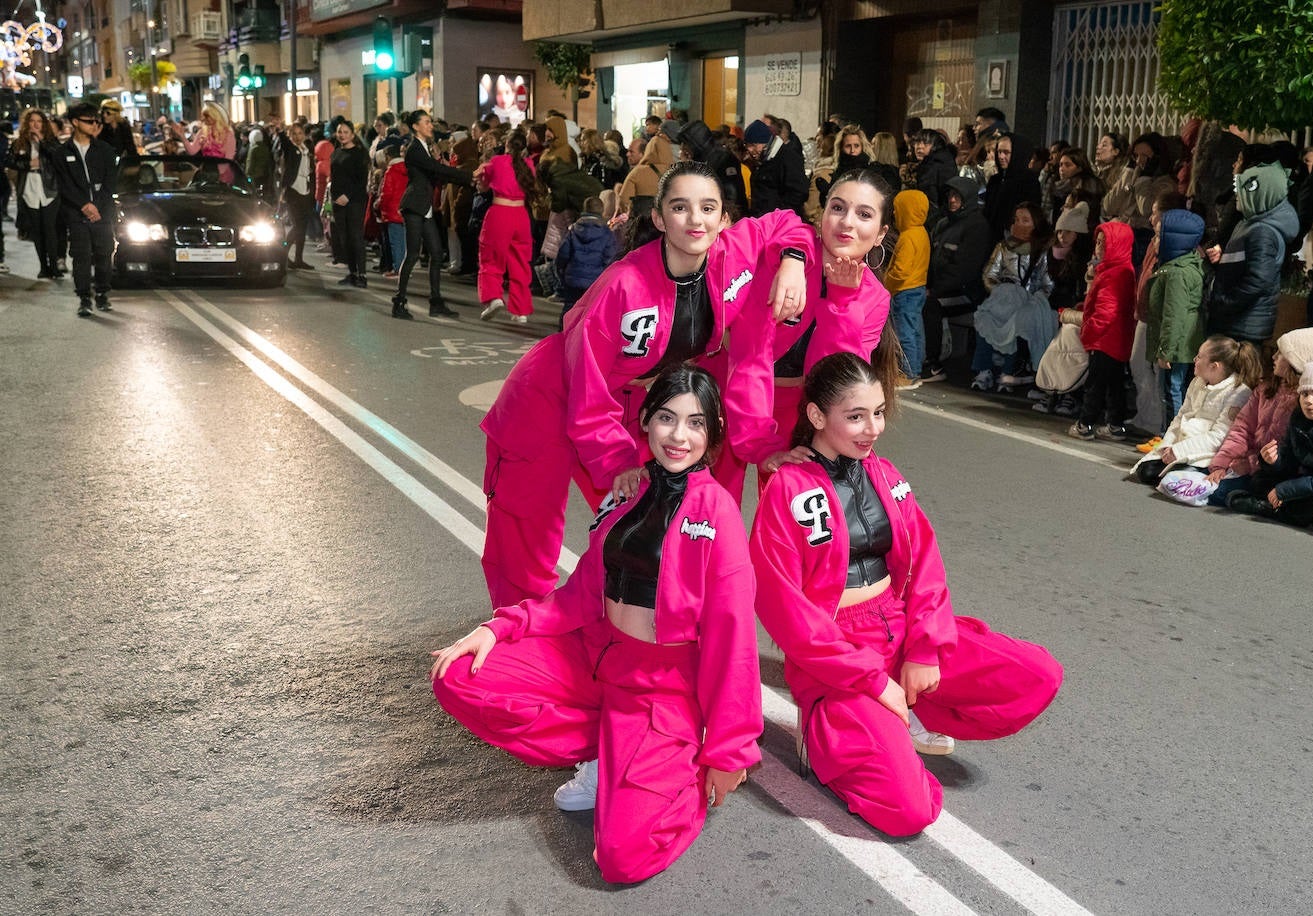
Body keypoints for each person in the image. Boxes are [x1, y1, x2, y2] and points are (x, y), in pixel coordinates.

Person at [432, 364, 761, 885]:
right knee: (460, 674)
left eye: (696, 424)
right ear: (647, 422)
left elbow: (733, 640)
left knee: (622, 859)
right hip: (596, 656)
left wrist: (729, 749)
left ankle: (676, 767)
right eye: (667, 419)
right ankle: (607, 749)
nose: (679, 436)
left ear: (712, 434)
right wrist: (502, 627)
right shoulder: (626, 493)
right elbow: (581, 594)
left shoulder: (716, 512)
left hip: (663, 689)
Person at [749, 351, 1063, 837]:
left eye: (877, 413)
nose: (871, 428)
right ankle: (833, 732)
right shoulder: (786, 490)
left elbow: (925, 568)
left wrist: (924, 650)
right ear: (815, 415)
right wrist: (873, 682)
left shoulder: (885, 474)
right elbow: (788, 615)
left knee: (1036, 674)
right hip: (839, 655)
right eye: (855, 417)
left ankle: (904, 710)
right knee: (910, 810)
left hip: (896, 626)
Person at [479, 161, 813, 609]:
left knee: (646, 517)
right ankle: (517, 637)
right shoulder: (623, 286)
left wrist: (793, 262)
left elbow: (788, 223)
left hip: (626, 401)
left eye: (707, 207)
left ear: (722, 218)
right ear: (658, 218)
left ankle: (619, 631)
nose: (695, 219)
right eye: (680, 207)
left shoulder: (732, 255)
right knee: (528, 535)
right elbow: (588, 388)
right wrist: (618, 461)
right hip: (552, 395)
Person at [712, 167, 897, 503]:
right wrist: (794, 258)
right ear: (822, 212)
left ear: (881, 233)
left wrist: (842, 301)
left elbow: (833, 379)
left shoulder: (874, 298)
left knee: (787, 511)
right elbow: (750, 356)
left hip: (797, 410)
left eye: (864, 214)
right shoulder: (787, 247)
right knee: (712, 506)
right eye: (837, 208)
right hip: (727, 383)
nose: (847, 222)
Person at [1130, 336, 1261, 485]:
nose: (1194, 360)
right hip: (1181, 444)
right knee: (1146, 471)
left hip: (1207, 452)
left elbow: (1219, 437)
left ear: (1214, 366)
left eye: (1199, 357)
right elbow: (1180, 417)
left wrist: (1179, 451)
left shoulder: (1238, 392)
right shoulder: (1197, 382)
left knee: (1170, 479)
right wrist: (1167, 445)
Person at [1206, 330, 1311, 507]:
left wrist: (1250, 464)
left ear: (1296, 361)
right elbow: (1242, 428)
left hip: (1273, 472)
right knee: (1204, 482)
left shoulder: (1303, 404)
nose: (1274, 357)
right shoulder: (1265, 389)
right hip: (1249, 464)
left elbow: (1289, 457)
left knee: (1218, 493)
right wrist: (1221, 465)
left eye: (1282, 353)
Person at [1205, 161, 1300, 347]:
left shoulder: (1262, 231)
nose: (1237, 194)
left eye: (1243, 189)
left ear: (1260, 194)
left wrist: (1224, 302)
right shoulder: (1251, 223)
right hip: (1238, 321)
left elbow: (1259, 279)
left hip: (1242, 325)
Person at [389, 110, 473, 320]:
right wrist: (469, 175)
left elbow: (437, 173)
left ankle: (436, 302)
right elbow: (437, 169)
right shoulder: (414, 149)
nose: (430, 126)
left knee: (436, 253)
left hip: (423, 206)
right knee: (413, 255)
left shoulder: (425, 148)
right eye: (426, 122)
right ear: (415, 127)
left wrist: (467, 179)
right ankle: (399, 301)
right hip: (414, 206)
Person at [971, 203, 1055, 392]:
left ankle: (1009, 371)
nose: (1019, 225)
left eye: (1025, 221)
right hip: (1001, 298)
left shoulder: (1041, 251)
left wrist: (1030, 297)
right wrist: (1000, 292)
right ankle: (983, 369)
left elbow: (1047, 283)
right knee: (984, 319)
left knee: (1017, 322)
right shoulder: (1004, 247)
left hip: (1026, 300)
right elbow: (989, 274)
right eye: (1017, 220)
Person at [1066, 221, 1136, 441]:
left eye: (1104, 243)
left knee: (1095, 384)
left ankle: (1085, 423)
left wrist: (1088, 331)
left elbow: (1106, 311)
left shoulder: (1113, 273)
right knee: (1114, 384)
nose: (1098, 247)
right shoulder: (1121, 269)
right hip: (1118, 339)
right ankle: (1115, 425)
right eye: (1097, 242)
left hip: (1105, 339)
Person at [922, 176, 994, 383]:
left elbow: (965, 269)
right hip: (942, 288)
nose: (953, 200)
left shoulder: (977, 226)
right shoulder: (944, 223)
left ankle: (933, 364)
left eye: (958, 196)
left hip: (966, 293)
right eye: (950, 196)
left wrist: (934, 291)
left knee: (930, 304)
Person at [1144, 208, 1207, 435]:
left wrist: (1165, 350)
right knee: (1175, 388)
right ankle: (1168, 435)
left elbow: (1174, 314)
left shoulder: (1178, 273)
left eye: (1161, 235)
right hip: (1182, 341)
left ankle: (1170, 437)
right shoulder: (1181, 265)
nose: (1155, 240)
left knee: (1173, 390)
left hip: (1177, 344)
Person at [1224, 366, 1313, 527]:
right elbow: (1289, 458)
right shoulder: (1298, 417)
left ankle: (1266, 508)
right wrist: (1273, 460)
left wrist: (1284, 490)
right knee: (1260, 479)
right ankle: (1278, 506)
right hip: (1301, 479)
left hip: (1308, 485)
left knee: (1307, 505)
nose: (1309, 400)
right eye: (1305, 394)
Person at [57, 103, 119, 317]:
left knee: (104, 254)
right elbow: (63, 184)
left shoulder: (105, 150)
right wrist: (84, 205)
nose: (95, 125)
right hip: (76, 214)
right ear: (75, 122)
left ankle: (102, 293)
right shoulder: (62, 152)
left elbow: (111, 183)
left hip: (102, 213)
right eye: (89, 121)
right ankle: (84, 298)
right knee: (81, 256)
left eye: (96, 121)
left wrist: (97, 207)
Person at [474, 131, 537, 324]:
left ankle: (493, 298)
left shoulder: (497, 162)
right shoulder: (529, 166)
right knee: (520, 262)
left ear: (507, 144)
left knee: (491, 259)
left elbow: (482, 187)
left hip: (500, 213)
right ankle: (521, 310)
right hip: (521, 215)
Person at [5, 108, 62, 279]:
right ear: (27, 123)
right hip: (29, 187)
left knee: (49, 229)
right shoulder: (19, 143)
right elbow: (10, 162)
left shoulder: (51, 141)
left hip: (49, 188)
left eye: (39, 121)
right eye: (32, 121)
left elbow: (58, 158)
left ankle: (54, 266)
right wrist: (29, 164)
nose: (35, 124)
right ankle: (43, 267)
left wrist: (42, 142)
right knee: (36, 230)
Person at [886, 189, 931, 387]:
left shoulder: (907, 237)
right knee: (916, 330)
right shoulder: (922, 233)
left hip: (904, 290)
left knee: (904, 332)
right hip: (918, 287)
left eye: (898, 209)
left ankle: (908, 373)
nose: (895, 214)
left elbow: (900, 271)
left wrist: (887, 284)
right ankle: (917, 367)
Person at [554, 195, 618, 330]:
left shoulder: (574, 230)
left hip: (573, 278)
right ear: (602, 211)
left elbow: (563, 254)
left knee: (570, 307)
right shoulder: (607, 234)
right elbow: (610, 258)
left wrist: (562, 272)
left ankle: (564, 334)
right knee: (591, 311)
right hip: (595, 281)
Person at [329, 120, 370, 288]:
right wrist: (334, 197)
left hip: (355, 200)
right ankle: (352, 273)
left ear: (352, 134)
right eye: (340, 132)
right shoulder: (336, 152)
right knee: (343, 238)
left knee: (355, 237)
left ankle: (362, 274)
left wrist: (348, 195)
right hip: (338, 201)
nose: (342, 135)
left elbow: (361, 180)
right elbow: (334, 177)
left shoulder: (359, 154)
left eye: (346, 132)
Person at [743, 118, 807, 218]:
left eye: (753, 145)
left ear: (765, 142)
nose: (750, 150)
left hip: (780, 223)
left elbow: (798, 192)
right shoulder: (762, 161)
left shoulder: (787, 157)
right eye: (747, 145)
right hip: (763, 221)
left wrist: (779, 216)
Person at [982, 132, 1040, 242]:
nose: (1001, 156)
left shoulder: (1029, 181)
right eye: (999, 152)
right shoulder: (995, 180)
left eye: (1006, 152)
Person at [278, 121, 316, 270]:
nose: (297, 136)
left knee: (303, 227)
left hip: (306, 191)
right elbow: (285, 143)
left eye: (300, 133)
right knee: (296, 226)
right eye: (294, 133)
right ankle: (282, 255)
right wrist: (281, 132)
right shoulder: (291, 149)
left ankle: (298, 258)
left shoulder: (307, 149)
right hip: (293, 191)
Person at [173, 102, 236, 181]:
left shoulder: (228, 134)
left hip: (223, 175)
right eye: (203, 116)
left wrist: (217, 174)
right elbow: (192, 151)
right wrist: (182, 137)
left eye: (206, 116)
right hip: (206, 172)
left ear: (215, 116)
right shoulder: (203, 131)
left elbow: (229, 157)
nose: (203, 119)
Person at [910, 129, 956, 220]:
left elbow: (930, 200)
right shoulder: (944, 161)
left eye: (926, 143)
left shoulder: (933, 166)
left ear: (935, 146)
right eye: (917, 143)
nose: (920, 147)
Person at [244, 128, 274, 202]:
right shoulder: (265, 147)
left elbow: (250, 162)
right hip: (264, 174)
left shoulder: (253, 149)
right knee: (263, 191)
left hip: (255, 175)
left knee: (255, 192)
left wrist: (247, 174)